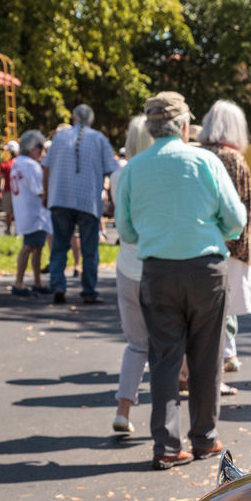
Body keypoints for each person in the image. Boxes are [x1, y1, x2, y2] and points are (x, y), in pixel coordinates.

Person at [114, 91, 246, 470]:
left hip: (156, 270)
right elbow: (235, 219)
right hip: (206, 270)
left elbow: (127, 230)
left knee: (164, 357)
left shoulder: (133, 168)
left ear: (151, 127)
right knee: (206, 357)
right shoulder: (204, 160)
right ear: (185, 125)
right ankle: (204, 436)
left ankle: (167, 444)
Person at [198, 100, 251, 377]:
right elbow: (244, 207)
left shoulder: (198, 154)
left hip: (200, 244)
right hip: (230, 247)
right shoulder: (232, 159)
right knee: (221, 313)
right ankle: (215, 369)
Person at [42, 104, 117, 303]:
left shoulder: (59, 137)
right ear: (91, 119)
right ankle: (88, 290)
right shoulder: (99, 139)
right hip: (88, 200)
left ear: (74, 118)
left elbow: (46, 167)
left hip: (60, 197)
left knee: (59, 244)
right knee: (89, 248)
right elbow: (113, 170)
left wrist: (46, 193)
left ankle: (58, 285)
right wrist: (113, 199)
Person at [109, 115, 153, 434]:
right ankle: (168, 423)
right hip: (157, 265)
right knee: (170, 343)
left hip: (126, 264)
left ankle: (123, 408)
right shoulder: (156, 172)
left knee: (136, 344)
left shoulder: (118, 173)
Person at [9, 131, 52, 295]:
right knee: (29, 246)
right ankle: (19, 282)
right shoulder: (31, 165)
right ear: (31, 147)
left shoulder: (18, 162)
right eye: (39, 147)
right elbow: (40, 190)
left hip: (26, 211)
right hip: (35, 213)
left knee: (37, 247)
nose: (42, 151)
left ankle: (37, 281)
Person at [0, 140, 18, 234]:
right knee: (17, 212)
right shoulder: (22, 163)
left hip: (8, 190)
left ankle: (8, 230)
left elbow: (0, 177)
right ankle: (17, 231)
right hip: (19, 191)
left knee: (8, 212)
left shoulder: (6, 165)